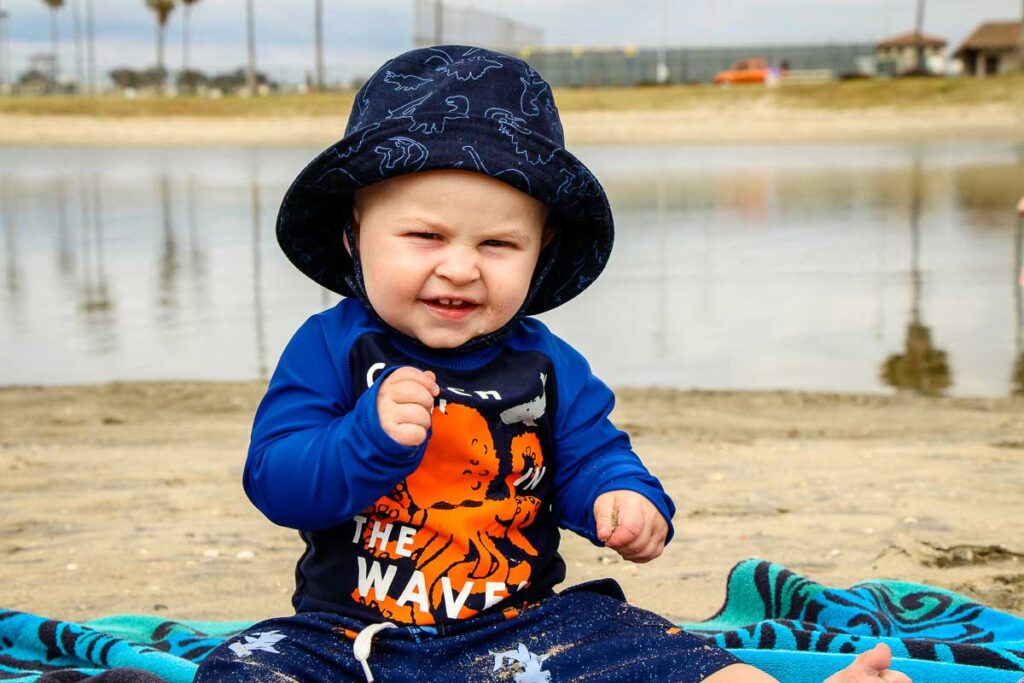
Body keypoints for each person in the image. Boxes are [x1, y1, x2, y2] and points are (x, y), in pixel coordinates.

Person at [195, 45, 910, 682]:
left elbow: (593, 456)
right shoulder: (328, 348)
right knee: (245, 662)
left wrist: (623, 500)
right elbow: (277, 482)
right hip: (351, 634)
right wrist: (366, 439)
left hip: (524, 630)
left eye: (498, 244)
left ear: (540, 255)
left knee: (653, 643)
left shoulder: (549, 364)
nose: (460, 267)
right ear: (355, 238)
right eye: (424, 235)